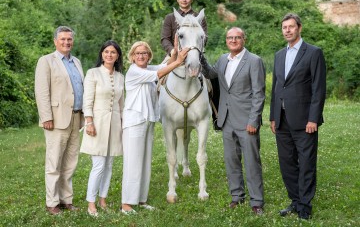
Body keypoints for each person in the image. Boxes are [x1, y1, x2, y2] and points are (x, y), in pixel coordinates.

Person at [200, 27, 266, 215]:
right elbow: (211, 74)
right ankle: (237, 196)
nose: (233, 40)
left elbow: (259, 94)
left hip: (247, 121)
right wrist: (199, 56)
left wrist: (254, 121)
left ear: (244, 39)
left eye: (237, 37)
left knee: (252, 162)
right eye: (230, 37)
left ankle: (257, 201)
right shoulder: (223, 59)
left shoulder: (254, 61)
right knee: (231, 161)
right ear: (226, 40)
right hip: (226, 120)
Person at [121, 40, 189, 215]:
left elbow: (163, 65)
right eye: (137, 53)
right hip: (134, 121)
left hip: (147, 121)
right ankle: (126, 204)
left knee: (144, 162)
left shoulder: (146, 69)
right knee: (133, 163)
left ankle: (141, 200)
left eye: (144, 53)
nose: (141, 56)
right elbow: (161, 72)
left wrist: (174, 52)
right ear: (132, 57)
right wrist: (178, 61)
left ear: (148, 55)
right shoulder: (134, 71)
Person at [269, 13, 326, 220]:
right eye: (284, 27)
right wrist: (273, 117)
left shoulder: (313, 53)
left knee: (307, 163)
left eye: (291, 27)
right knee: (287, 164)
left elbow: (318, 89)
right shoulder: (278, 55)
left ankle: (305, 206)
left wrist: (313, 118)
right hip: (282, 120)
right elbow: (276, 88)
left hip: (304, 121)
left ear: (299, 28)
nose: (287, 30)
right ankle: (294, 200)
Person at [35, 26, 84, 215]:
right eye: (62, 39)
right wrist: (46, 116)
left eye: (69, 39)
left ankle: (66, 199)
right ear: (55, 41)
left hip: (76, 118)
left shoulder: (76, 62)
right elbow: (41, 91)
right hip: (56, 119)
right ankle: (52, 202)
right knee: (54, 162)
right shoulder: (46, 61)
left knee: (70, 162)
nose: (66, 42)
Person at [161, 0, 222, 131]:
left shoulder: (199, 17)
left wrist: (196, 48)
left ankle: (216, 116)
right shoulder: (170, 18)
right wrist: (172, 52)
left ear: (191, 0)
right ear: (177, 0)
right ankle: (159, 112)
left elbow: (204, 37)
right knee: (157, 80)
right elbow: (164, 39)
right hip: (174, 55)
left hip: (196, 54)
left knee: (213, 77)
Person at [80, 40, 125, 217]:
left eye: (113, 52)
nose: (109, 55)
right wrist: (89, 122)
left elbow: (122, 105)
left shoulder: (121, 76)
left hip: (114, 125)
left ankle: (103, 199)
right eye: (106, 51)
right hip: (97, 123)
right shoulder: (93, 73)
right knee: (98, 165)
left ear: (117, 56)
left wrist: (123, 125)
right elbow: (87, 100)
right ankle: (91, 203)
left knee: (109, 164)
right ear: (101, 54)